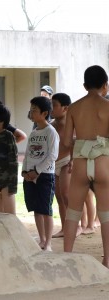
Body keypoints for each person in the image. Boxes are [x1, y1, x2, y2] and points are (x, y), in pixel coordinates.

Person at [63, 65, 109, 268]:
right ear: (105, 85)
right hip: (103, 163)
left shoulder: (73, 107)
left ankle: (66, 258)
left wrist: (82, 143)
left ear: (84, 85)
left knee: (72, 212)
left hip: (81, 163)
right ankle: (107, 260)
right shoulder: (108, 106)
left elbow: (66, 142)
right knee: (106, 214)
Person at [22, 96, 59, 251]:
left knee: (46, 210)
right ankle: (42, 240)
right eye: (31, 110)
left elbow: (52, 155)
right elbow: (28, 154)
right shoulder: (34, 132)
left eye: (34, 110)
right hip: (30, 176)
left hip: (45, 176)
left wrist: (37, 171)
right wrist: (24, 171)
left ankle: (48, 243)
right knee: (36, 209)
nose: (31, 113)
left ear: (44, 113)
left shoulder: (51, 132)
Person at [50, 93, 74, 238]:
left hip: (67, 161)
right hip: (55, 163)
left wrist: (73, 160)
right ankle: (65, 228)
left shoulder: (73, 124)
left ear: (65, 108)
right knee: (59, 196)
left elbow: (77, 142)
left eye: (54, 105)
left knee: (66, 195)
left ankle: (75, 226)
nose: (52, 108)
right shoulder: (51, 125)